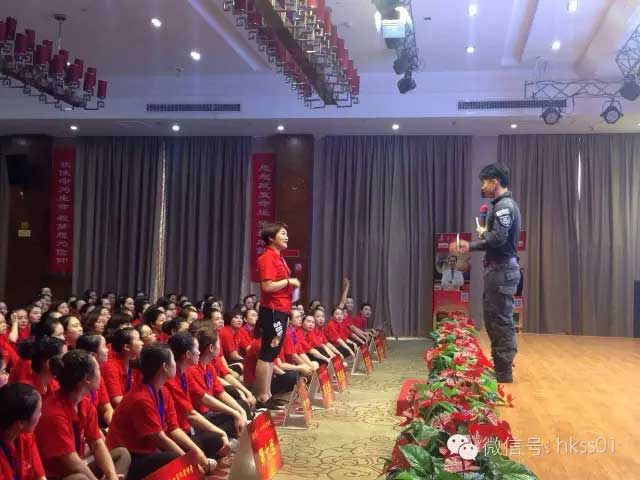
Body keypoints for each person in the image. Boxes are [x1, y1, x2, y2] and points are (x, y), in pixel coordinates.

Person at [450, 163, 521, 383]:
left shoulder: (503, 207)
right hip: (498, 270)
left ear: (494, 182)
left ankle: (504, 371)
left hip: (502, 270)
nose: (482, 187)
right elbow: (494, 241)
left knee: (500, 321)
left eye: (484, 182)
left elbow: (497, 239)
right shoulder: (501, 205)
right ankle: (500, 367)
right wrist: (470, 246)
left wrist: (483, 233)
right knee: (493, 319)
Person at [106, 344, 213, 480]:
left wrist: (197, 452)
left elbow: (174, 429)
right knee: (174, 458)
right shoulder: (141, 398)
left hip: (151, 450)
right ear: (165, 366)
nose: (175, 364)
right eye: (173, 360)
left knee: (204, 444)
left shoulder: (163, 391)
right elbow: (160, 439)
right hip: (131, 458)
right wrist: (188, 462)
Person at [36, 349, 131, 479]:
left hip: (79, 464)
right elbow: (71, 462)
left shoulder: (84, 403)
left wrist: (111, 475)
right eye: (98, 370)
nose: (100, 374)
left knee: (122, 454)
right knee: (80, 478)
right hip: (57, 476)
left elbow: (96, 443)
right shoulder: (53, 413)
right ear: (86, 379)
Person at [254, 222, 300, 410]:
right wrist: (288, 281)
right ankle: (262, 396)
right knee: (267, 353)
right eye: (283, 233)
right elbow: (267, 286)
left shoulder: (279, 258)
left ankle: (268, 394)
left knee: (272, 354)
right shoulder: (267, 258)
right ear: (271, 238)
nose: (287, 237)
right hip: (272, 311)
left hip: (281, 310)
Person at [166, 332, 230, 459]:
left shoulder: (184, 373)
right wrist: (221, 432)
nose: (199, 352)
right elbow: (191, 414)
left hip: (187, 427)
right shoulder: (170, 381)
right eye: (196, 349)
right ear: (188, 354)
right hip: (180, 432)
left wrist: (238, 412)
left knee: (217, 436)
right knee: (216, 439)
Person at [0, 383, 45, 480]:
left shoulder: (26, 435)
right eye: (38, 411)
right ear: (21, 423)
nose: (41, 414)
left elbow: (39, 476)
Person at [76, 334, 115, 427]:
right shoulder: (78, 382)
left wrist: (114, 427)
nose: (107, 350)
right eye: (104, 346)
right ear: (93, 355)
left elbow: (107, 409)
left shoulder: (97, 377)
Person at [101, 327, 143, 406]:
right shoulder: (110, 367)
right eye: (138, 340)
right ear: (127, 347)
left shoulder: (133, 365)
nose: (142, 343)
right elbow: (116, 400)